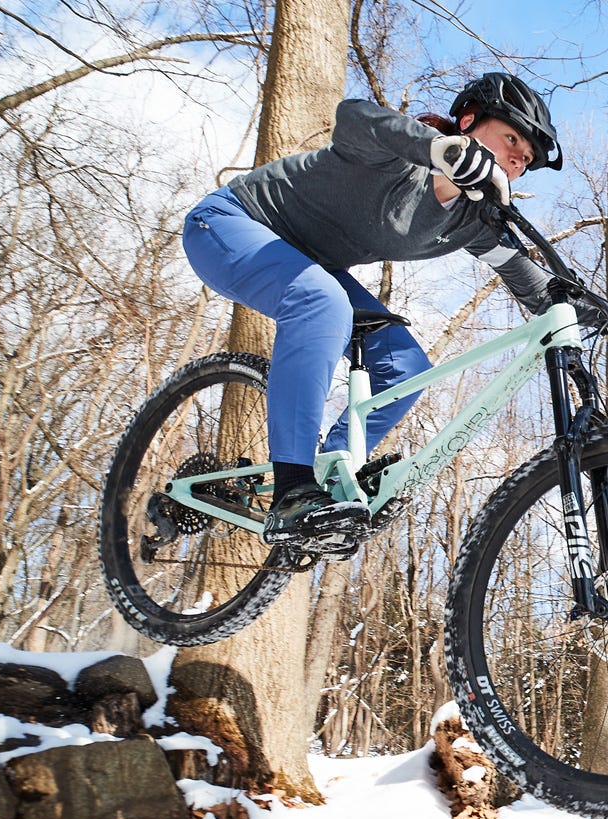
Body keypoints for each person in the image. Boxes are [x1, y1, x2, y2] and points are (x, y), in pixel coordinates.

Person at [181, 73, 565, 543]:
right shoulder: (401, 153)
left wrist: (599, 315)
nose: (516, 160)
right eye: (510, 139)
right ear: (468, 121)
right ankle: (293, 488)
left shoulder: (473, 221)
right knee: (322, 303)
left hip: (311, 263)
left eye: (525, 159)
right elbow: (353, 118)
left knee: (405, 367)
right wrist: (440, 150)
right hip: (228, 223)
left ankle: (328, 476)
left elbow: (537, 286)